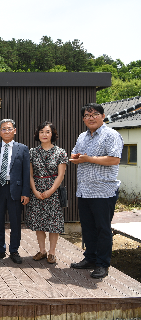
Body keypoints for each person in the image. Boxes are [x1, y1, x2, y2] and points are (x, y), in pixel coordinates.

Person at [69, 103, 123, 279]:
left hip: (103, 190)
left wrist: (88, 159)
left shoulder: (111, 135)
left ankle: (102, 264)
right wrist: (76, 158)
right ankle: (90, 258)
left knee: (103, 229)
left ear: (103, 116)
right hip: (84, 190)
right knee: (88, 228)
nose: (91, 117)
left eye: (95, 114)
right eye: (87, 115)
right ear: (83, 119)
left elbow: (114, 159)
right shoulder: (82, 137)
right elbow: (75, 154)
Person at [0, 119, 30, 264]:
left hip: (15, 189)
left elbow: (26, 172)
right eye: (3, 129)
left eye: (9, 128)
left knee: (16, 221)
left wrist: (25, 192)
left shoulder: (22, 149)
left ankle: (14, 250)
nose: (6, 131)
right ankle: (0, 249)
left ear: (15, 131)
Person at [25, 121, 68, 264]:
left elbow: (61, 175)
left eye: (47, 131)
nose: (44, 134)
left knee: (53, 223)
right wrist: (35, 191)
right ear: (37, 134)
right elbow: (29, 174)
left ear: (53, 134)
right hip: (36, 188)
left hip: (53, 190)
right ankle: (42, 251)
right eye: (42, 131)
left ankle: (52, 252)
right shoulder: (31, 152)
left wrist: (50, 191)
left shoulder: (60, 152)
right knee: (39, 222)